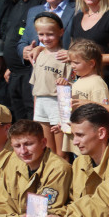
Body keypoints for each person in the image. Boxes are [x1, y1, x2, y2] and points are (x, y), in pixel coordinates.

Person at [2, 0, 44, 122]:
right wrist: (10, 66)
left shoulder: (41, 3)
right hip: (15, 74)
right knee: (20, 122)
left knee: (34, 121)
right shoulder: (18, 4)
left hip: (32, 74)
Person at [59, 39, 109, 156]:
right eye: (71, 62)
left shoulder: (97, 84)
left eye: (76, 63)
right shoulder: (78, 81)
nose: (72, 66)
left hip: (89, 142)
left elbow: (103, 113)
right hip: (77, 139)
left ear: (91, 63)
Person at [29, 13, 71, 156]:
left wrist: (67, 83)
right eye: (41, 34)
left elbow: (73, 82)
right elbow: (36, 87)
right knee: (48, 150)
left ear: (61, 32)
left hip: (57, 103)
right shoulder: (39, 55)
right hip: (41, 104)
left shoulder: (65, 56)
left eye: (50, 34)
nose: (45, 38)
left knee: (62, 152)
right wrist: (36, 110)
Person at [19, 0, 75, 68]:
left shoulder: (78, 11)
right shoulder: (33, 12)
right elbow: (23, 41)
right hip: (38, 77)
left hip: (65, 77)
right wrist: (24, 50)